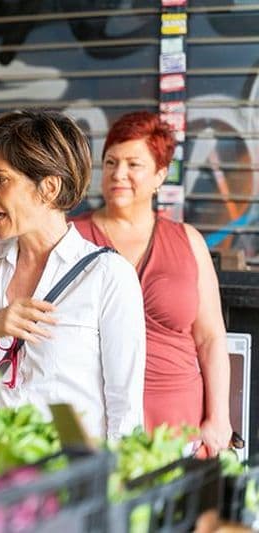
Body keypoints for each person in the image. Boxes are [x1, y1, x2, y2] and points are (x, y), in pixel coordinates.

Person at [0, 109, 145, 441]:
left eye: (0, 178)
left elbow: (125, 409)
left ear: (49, 188)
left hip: (68, 477)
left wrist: (115, 483)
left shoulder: (108, 276)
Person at [73, 111, 231, 455]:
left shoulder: (188, 240)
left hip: (179, 421)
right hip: (94, 418)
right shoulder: (71, 238)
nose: (119, 174)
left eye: (134, 164)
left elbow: (210, 338)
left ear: (161, 174)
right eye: (111, 162)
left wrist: (219, 417)